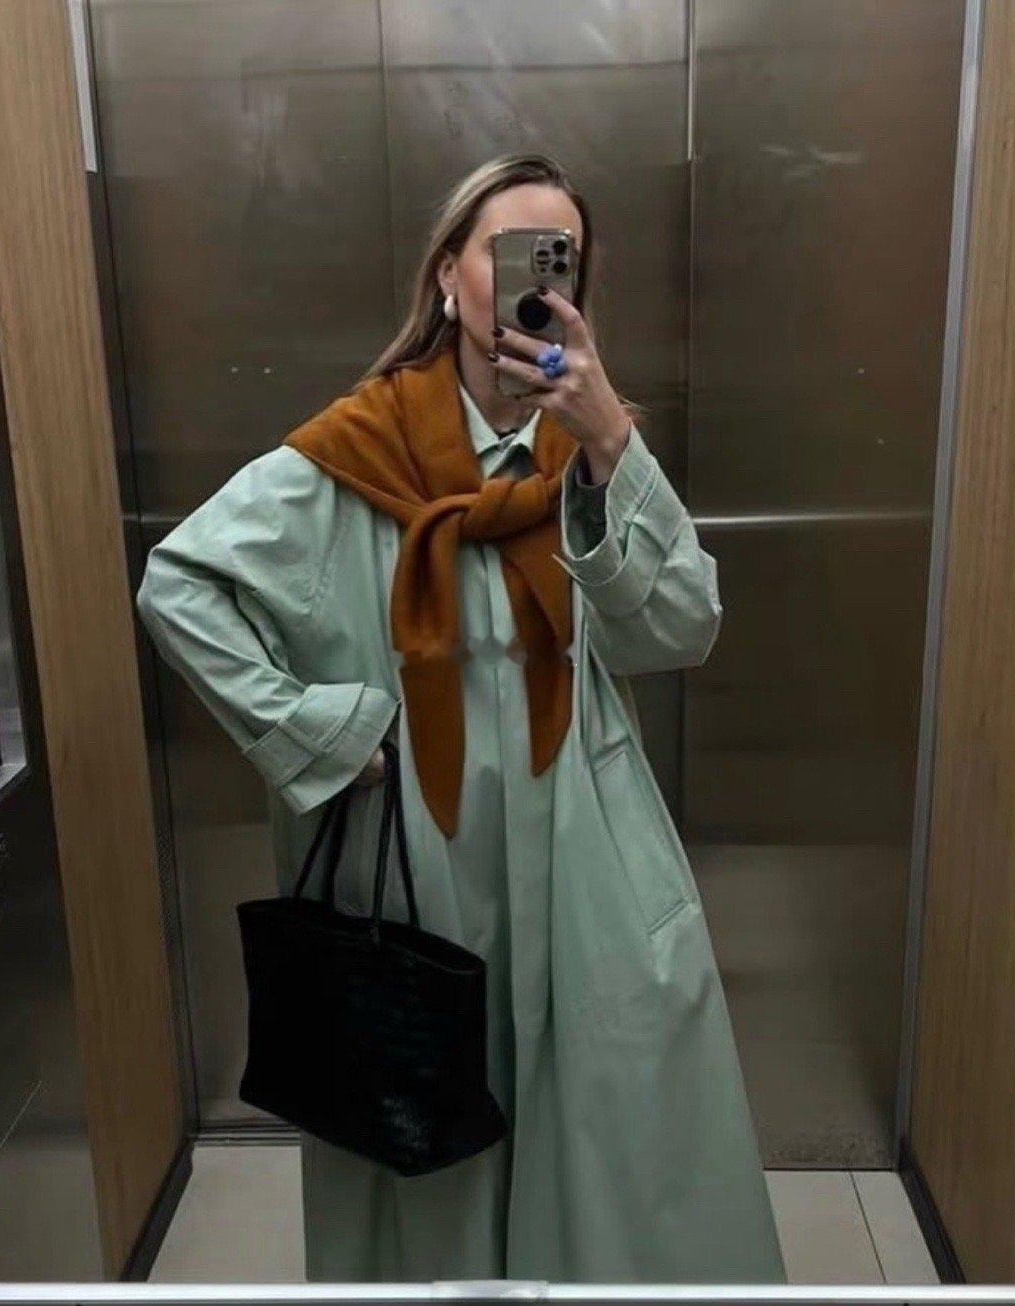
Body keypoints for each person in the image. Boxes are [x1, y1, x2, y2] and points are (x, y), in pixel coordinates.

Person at [135, 152, 787, 1285]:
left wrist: (610, 441)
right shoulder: (354, 453)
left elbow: (682, 627)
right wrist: (319, 732)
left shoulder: (587, 451)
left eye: (560, 260)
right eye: (508, 253)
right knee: (423, 1119)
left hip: (585, 852)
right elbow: (178, 585)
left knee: (611, 1136)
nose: (535, 282)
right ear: (447, 275)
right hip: (417, 859)